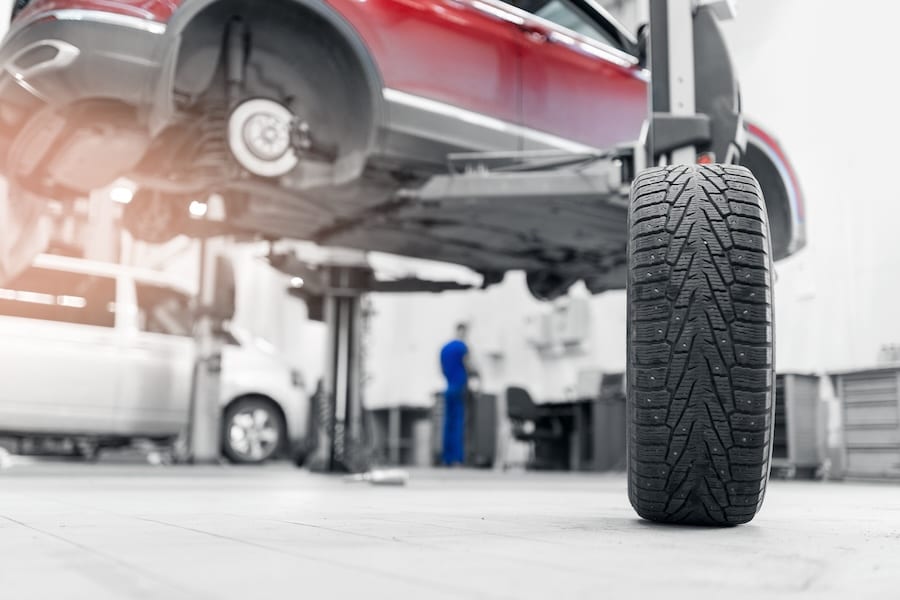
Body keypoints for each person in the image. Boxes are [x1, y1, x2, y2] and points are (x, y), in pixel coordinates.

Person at [439, 323, 478, 466]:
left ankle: (446, 458)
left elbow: (441, 369)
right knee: (458, 424)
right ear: (462, 331)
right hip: (460, 388)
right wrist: (477, 376)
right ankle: (457, 458)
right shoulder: (462, 347)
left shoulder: (444, 348)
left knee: (447, 423)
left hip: (448, 387)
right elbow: (469, 365)